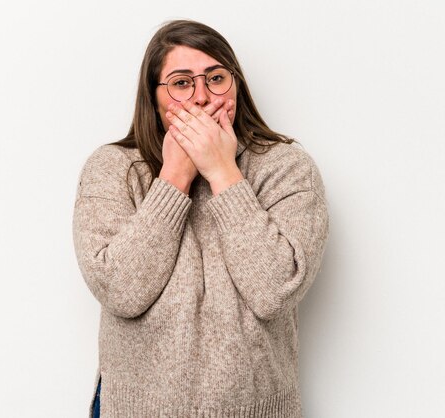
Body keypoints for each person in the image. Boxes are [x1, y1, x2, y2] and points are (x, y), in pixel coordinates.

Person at [73, 19, 329, 418]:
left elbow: (276, 289)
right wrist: (174, 177)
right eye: (181, 82)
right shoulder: (112, 168)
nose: (201, 96)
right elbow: (120, 290)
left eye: (216, 78)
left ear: (236, 85)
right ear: (153, 97)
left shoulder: (287, 167)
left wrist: (223, 173)